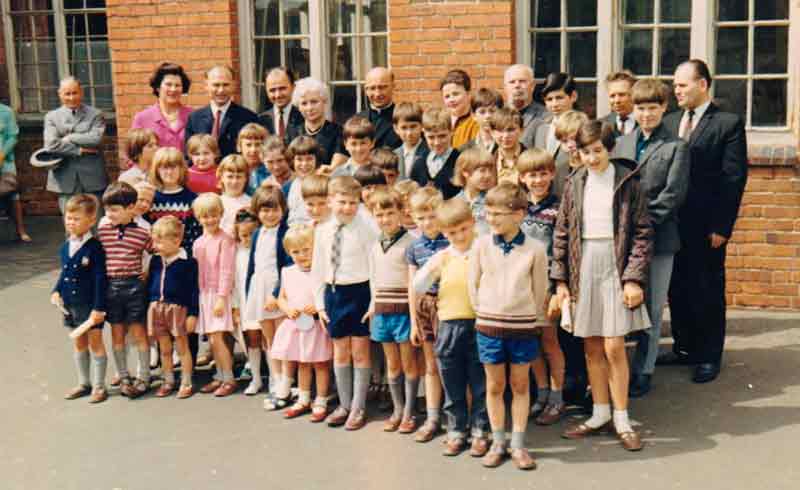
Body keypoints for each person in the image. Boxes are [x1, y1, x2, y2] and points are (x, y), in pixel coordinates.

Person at [552, 120, 653, 452]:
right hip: (584, 265)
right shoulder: (574, 182)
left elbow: (641, 233)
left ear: (610, 149)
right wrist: (561, 280)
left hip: (615, 264)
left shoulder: (628, 181)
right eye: (585, 152)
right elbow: (563, 232)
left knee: (614, 346)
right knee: (592, 346)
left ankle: (621, 417)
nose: (592, 158)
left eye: (597, 151)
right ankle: (599, 413)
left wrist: (633, 278)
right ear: (577, 153)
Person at [660, 59, 748, 384]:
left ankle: (709, 356)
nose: (676, 90)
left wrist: (722, 227)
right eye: (675, 85)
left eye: (682, 85)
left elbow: (733, 178)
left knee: (707, 289)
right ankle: (684, 348)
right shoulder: (669, 122)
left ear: (703, 85)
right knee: (678, 288)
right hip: (672, 225)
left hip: (706, 227)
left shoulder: (727, 124)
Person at [614, 78, 690, 397]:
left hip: (659, 239)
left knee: (654, 305)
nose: (646, 115)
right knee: (622, 302)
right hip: (623, 239)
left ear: (664, 108)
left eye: (652, 108)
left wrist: (639, 225)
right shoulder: (623, 143)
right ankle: (619, 369)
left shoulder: (676, 147)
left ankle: (644, 369)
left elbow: (673, 195)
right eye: (641, 108)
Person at [469, 183, 548, 470]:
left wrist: (530, 314)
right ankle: (498, 440)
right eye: (487, 213)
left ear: (518, 215)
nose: (491, 220)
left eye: (498, 214)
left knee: (519, 384)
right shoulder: (480, 245)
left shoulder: (535, 249)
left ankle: (517, 443)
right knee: (494, 385)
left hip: (523, 326)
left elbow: (540, 289)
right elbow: (473, 284)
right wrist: (485, 311)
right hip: (489, 325)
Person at [412, 197, 490, 458]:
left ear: (472, 224)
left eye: (463, 229)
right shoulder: (443, 257)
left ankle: (481, 430)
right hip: (449, 323)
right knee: (452, 379)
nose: (459, 236)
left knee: (479, 380)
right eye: (452, 232)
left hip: (480, 322)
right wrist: (434, 264)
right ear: (444, 232)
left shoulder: (483, 248)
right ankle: (457, 430)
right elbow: (419, 285)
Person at [311, 176, 379, 430]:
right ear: (330, 201)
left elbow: (374, 266)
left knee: (360, 352)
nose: (348, 208)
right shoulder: (322, 229)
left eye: (353, 203)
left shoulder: (366, 228)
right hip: (334, 293)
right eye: (342, 202)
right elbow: (318, 268)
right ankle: (345, 404)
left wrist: (374, 301)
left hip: (360, 292)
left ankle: (359, 407)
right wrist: (319, 304)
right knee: (340, 351)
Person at [517, 148, 567, 424]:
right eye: (531, 175)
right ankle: (542, 392)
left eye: (542, 173)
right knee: (530, 340)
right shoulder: (518, 208)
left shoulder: (558, 207)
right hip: (522, 286)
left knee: (550, 341)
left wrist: (559, 287)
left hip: (547, 285)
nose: (537, 180)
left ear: (551, 174)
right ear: (522, 178)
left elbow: (562, 250)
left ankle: (558, 397)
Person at [366, 189, 419, 433]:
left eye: (390, 213)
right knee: (392, 364)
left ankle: (409, 411)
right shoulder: (374, 244)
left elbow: (413, 283)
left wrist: (415, 316)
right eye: (380, 214)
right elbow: (374, 279)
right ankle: (398, 409)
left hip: (403, 312)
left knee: (408, 364)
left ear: (401, 213)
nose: (385, 219)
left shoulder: (411, 243)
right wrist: (372, 306)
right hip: (382, 311)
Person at [271, 224, 333, 420]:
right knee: (302, 363)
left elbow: (330, 295)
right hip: (297, 324)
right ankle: (304, 398)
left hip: (316, 325)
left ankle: (321, 399)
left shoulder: (322, 271)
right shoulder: (287, 272)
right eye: (295, 252)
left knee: (320, 364)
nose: (301, 255)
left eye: (306, 250)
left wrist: (318, 306)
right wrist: (287, 308)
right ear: (289, 252)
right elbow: (280, 298)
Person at [97, 182, 152, 399]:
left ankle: (144, 376)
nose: (109, 214)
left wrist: (146, 272)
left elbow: (155, 253)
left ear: (131, 207)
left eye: (114, 210)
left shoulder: (142, 232)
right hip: (112, 286)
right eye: (107, 209)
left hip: (134, 286)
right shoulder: (103, 230)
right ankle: (123, 375)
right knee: (117, 332)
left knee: (138, 332)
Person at [52, 194, 108, 403]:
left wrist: (99, 308)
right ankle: (84, 383)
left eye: (76, 218)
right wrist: (56, 291)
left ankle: (99, 386)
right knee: (78, 343)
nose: (70, 222)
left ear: (91, 220)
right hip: (70, 305)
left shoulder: (95, 248)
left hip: (89, 307)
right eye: (68, 217)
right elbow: (64, 273)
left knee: (95, 344)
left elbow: (100, 280)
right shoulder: (65, 246)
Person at [406, 186, 449, 442]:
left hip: (449, 306)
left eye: (432, 216)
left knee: (452, 365)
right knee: (431, 365)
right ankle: (433, 417)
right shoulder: (414, 247)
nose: (427, 223)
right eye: (421, 218)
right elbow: (412, 288)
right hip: (424, 306)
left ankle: (457, 417)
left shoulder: (451, 241)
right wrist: (413, 322)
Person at [243, 185, 291, 400]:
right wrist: (248, 293)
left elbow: (286, 268)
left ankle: (286, 381)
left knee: (282, 339)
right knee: (269, 340)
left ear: (283, 209)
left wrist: (276, 294)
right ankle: (274, 377)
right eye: (264, 210)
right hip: (258, 288)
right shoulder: (257, 233)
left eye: (274, 209)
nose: (269, 214)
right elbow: (252, 265)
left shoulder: (285, 232)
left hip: (277, 290)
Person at [146, 216, 199, 399]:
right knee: (165, 349)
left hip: (178, 310)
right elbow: (149, 285)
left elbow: (194, 291)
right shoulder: (155, 261)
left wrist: (193, 314)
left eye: (160, 242)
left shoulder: (188, 263)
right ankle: (168, 380)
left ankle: (186, 381)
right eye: (155, 241)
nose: (156, 245)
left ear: (176, 240)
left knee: (182, 347)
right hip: (156, 308)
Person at [192, 193, 238, 397]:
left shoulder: (225, 240)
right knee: (212, 339)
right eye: (205, 216)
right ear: (198, 217)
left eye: (214, 215)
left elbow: (227, 271)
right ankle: (219, 375)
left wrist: (221, 297)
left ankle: (229, 378)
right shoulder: (198, 242)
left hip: (220, 295)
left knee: (218, 338)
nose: (209, 220)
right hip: (204, 295)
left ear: (221, 214)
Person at [44, 77, 108, 215]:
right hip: (65, 178)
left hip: (93, 178)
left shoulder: (95, 114)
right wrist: (79, 150)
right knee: (72, 225)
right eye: (67, 94)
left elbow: (96, 139)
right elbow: (51, 145)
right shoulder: (52, 117)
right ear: (60, 94)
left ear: (81, 93)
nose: (72, 98)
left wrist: (69, 138)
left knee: (96, 222)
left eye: (75, 93)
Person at [120, 62, 193, 168]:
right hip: (152, 180)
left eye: (177, 85)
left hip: (186, 179)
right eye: (168, 84)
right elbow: (132, 154)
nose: (173, 89)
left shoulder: (193, 116)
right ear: (158, 87)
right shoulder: (142, 118)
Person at [184, 66, 260, 160]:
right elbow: (189, 155)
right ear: (206, 86)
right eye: (216, 85)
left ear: (233, 85)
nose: (221, 90)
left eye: (225, 85)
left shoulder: (248, 118)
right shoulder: (194, 119)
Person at [147, 147, 202, 257]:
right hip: (155, 258)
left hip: (183, 257)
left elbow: (196, 234)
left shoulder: (192, 199)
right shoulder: (150, 199)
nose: (169, 172)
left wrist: (184, 254)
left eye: (173, 167)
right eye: (164, 168)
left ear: (181, 169)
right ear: (156, 170)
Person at [286, 77, 348, 168]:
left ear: (324, 101)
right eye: (304, 103)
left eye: (314, 102)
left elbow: (334, 168)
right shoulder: (292, 132)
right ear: (298, 107)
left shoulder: (339, 132)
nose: (309, 108)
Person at [410, 107, 461, 200]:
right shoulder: (419, 163)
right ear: (424, 133)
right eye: (431, 137)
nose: (437, 142)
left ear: (451, 131)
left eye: (442, 136)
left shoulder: (460, 161)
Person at [1, 103, 30, 241]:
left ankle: (20, 230)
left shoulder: (6, 112)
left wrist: (1, 155)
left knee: (13, 195)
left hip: (4, 160)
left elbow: (13, 136)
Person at [452, 147, 496, 236]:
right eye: (482, 170)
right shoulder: (454, 203)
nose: (488, 175)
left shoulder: (494, 200)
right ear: (465, 172)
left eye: (490, 170)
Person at [504, 64, 548, 149]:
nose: (517, 85)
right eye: (512, 82)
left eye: (522, 81)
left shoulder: (546, 116)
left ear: (532, 86)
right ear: (505, 87)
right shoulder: (496, 115)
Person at [533, 73, 579, 154]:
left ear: (573, 96)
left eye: (559, 98)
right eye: (549, 99)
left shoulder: (583, 127)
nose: (554, 104)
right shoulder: (541, 128)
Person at [358, 67, 402, 150]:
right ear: (366, 90)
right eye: (372, 88)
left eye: (382, 87)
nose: (377, 94)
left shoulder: (403, 117)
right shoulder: (357, 120)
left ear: (393, 86)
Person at [285, 136, 323, 225]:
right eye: (299, 159)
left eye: (309, 159)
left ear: (316, 160)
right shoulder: (289, 186)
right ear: (292, 160)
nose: (304, 164)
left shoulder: (323, 185)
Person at [551, 110, 589, 199]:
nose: (570, 145)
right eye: (564, 141)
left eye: (574, 139)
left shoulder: (595, 167)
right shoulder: (560, 169)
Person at [260, 67, 304, 142]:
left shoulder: (303, 116)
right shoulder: (261, 120)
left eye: (282, 88)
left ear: (293, 87)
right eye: (272, 90)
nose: (278, 95)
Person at [441, 69, 479, 149]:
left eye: (455, 94)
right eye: (447, 96)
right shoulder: (441, 123)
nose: (451, 100)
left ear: (468, 94)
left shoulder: (476, 124)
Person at [216, 154, 251, 236]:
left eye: (239, 177)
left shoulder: (251, 203)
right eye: (230, 177)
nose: (234, 182)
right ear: (221, 177)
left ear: (246, 178)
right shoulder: (217, 202)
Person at [392, 102, 428, 181]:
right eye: (404, 128)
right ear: (396, 128)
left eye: (413, 126)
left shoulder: (430, 152)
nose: (409, 133)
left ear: (422, 125)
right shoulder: (393, 156)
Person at [460, 88, 503, 153]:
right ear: (474, 115)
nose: (488, 116)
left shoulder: (510, 146)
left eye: (492, 111)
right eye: (482, 112)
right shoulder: (464, 150)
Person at [490, 107, 526, 185]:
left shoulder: (533, 159)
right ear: (492, 133)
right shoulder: (487, 162)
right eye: (500, 130)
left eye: (510, 130)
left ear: (522, 130)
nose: (505, 135)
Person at [601, 71, 638, 137]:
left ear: (634, 94)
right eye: (612, 96)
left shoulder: (647, 122)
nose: (617, 100)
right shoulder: (601, 125)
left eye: (622, 95)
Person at [237, 123, 270, 194]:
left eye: (258, 144)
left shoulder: (270, 171)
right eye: (248, 145)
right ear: (239, 147)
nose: (253, 150)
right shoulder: (234, 169)